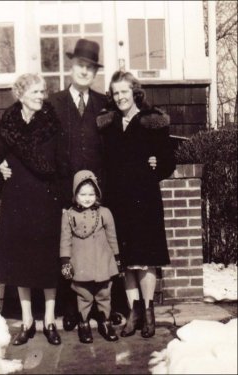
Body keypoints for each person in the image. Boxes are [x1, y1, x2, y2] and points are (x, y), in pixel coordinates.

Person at [0, 39, 123, 331]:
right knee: (67, 248)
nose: (84, 71)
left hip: (95, 191)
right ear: (72, 67)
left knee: (97, 247)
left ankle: (103, 308)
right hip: (60, 190)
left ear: (95, 73)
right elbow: (26, 136)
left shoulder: (103, 104)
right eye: (81, 65)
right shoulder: (52, 103)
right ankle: (70, 309)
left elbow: (115, 143)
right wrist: (5, 162)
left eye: (90, 68)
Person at [97, 71, 176, 338]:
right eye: (115, 92)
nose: (120, 97)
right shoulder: (108, 125)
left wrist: (157, 165)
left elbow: (168, 161)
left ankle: (149, 312)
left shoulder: (152, 122)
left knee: (146, 259)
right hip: (118, 200)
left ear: (135, 92)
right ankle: (134, 312)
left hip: (145, 199)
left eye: (124, 92)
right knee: (127, 260)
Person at [0, 73, 62, 346]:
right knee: (21, 263)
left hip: (46, 200)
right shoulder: (8, 123)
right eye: (36, 92)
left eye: (43, 91)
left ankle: (50, 320)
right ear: (21, 95)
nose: (42, 96)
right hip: (17, 202)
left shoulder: (51, 122)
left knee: (48, 262)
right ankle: (28, 321)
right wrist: (0, 169)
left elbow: (60, 161)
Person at [60, 170, 123, 343]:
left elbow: (112, 238)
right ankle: (84, 323)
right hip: (80, 263)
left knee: (104, 294)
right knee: (84, 295)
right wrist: (65, 261)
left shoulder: (105, 213)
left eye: (91, 194)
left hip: (103, 262)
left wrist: (117, 258)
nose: (87, 198)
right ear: (75, 194)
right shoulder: (68, 215)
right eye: (83, 194)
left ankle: (105, 322)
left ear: (97, 194)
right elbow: (65, 240)